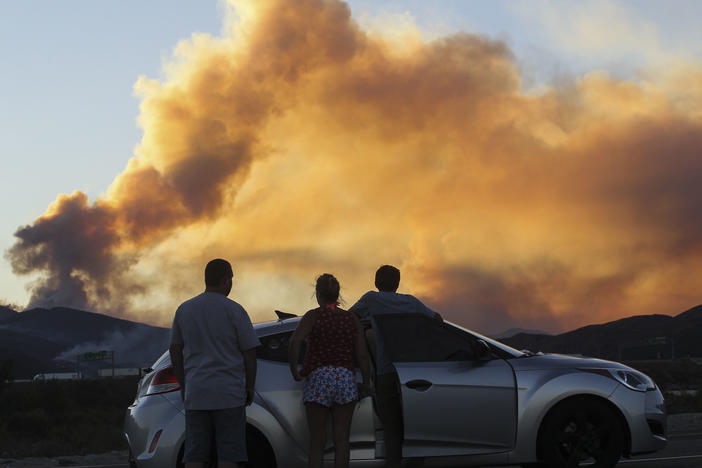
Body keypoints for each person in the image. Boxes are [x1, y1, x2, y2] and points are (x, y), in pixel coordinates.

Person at [170, 259, 260, 468]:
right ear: (226, 280)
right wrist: (249, 386)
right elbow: (249, 353)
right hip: (228, 394)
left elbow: (175, 351)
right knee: (229, 454)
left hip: (197, 393)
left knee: (194, 454)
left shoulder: (185, 310)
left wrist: (185, 386)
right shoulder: (235, 310)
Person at [349, 265, 442, 468]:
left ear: (376, 282)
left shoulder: (371, 299)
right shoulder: (411, 302)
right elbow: (437, 319)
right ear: (398, 283)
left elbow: (349, 317)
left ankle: (394, 464)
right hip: (413, 372)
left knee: (391, 427)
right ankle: (416, 462)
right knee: (416, 424)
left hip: (386, 372)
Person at [289, 274, 372, 468]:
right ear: (338, 295)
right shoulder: (350, 318)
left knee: (317, 441)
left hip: (319, 378)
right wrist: (366, 382)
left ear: (317, 294)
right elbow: (362, 354)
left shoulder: (313, 316)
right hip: (345, 379)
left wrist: (294, 369)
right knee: (342, 440)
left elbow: (295, 341)